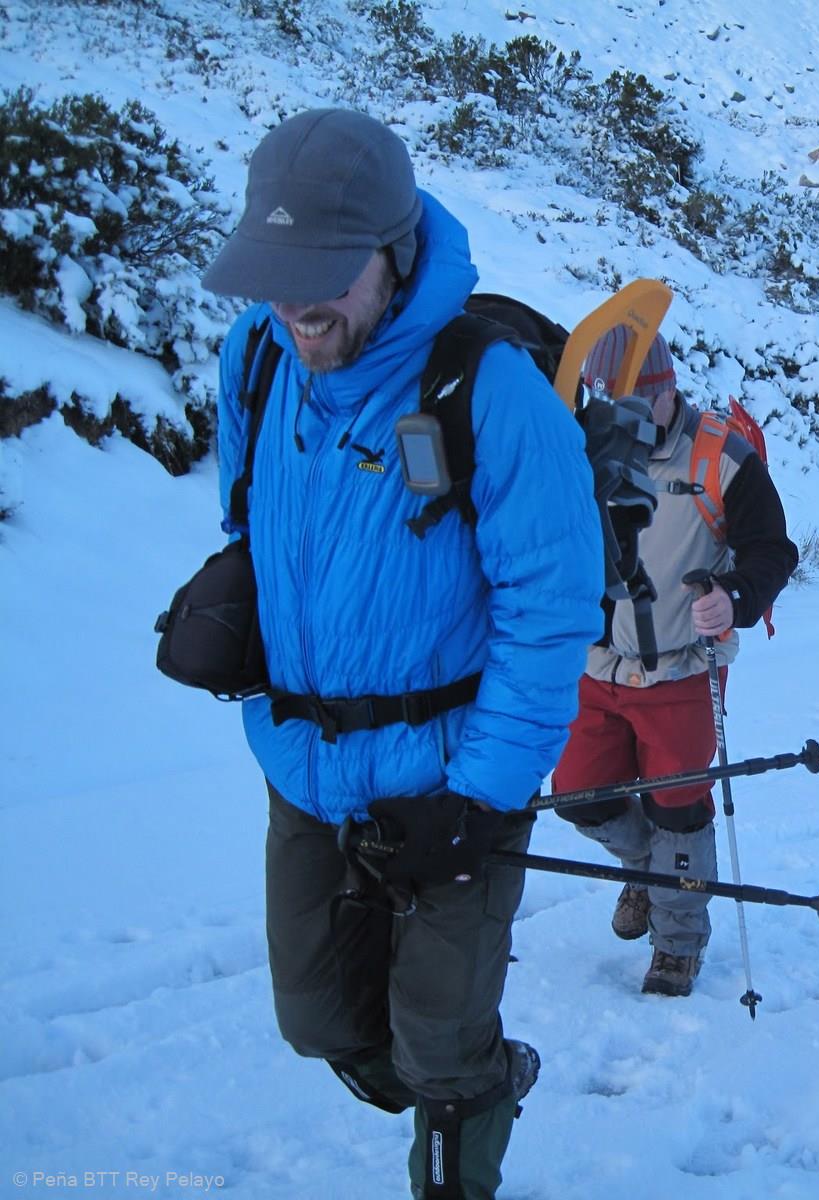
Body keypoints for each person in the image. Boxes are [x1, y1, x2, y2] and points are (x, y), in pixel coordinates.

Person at [201, 108, 603, 1199]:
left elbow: (550, 611)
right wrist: (234, 622)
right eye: (276, 274)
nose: (296, 305)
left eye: (325, 275)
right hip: (304, 767)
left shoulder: (489, 391)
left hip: (451, 782)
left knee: (439, 1048)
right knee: (319, 1022)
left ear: (395, 253)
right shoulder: (254, 359)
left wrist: (478, 799)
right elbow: (247, 520)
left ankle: (465, 1120)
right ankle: (471, 1078)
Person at [551, 328, 797, 997]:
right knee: (577, 795)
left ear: (668, 391)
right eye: (611, 402)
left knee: (678, 807)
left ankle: (678, 944)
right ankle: (650, 872)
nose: (625, 417)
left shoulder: (721, 456)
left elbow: (772, 550)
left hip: (682, 669)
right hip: (596, 664)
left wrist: (734, 596)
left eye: (640, 401)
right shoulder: (579, 444)